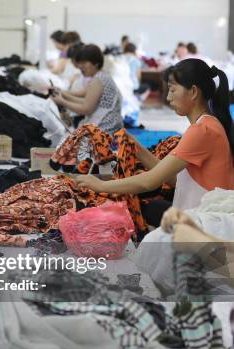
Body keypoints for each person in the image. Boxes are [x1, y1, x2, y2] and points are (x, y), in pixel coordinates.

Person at [76, 59, 234, 225]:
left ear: (193, 92)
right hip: (202, 214)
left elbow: (149, 182)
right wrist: (137, 148)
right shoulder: (209, 124)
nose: (168, 97)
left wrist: (100, 185)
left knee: (137, 206)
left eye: (172, 90)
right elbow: (174, 179)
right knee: (151, 207)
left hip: (204, 222)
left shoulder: (202, 130)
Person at [51, 44, 123, 135]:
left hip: (104, 130)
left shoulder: (98, 81)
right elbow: (86, 102)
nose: (81, 66)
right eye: (80, 63)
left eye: (84, 63)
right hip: (111, 127)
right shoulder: (102, 76)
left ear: (96, 63)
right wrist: (63, 95)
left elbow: (86, 108)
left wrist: (62, 101)